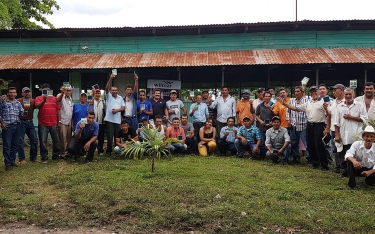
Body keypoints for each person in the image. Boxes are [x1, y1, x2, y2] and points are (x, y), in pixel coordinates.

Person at [280, 86, 330, 170]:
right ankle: (315, 163)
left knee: (319, 145)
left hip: (320, 125)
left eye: (315, 91)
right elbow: (296, 108)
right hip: (309, 125)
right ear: (310, 93)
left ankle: (324, 164)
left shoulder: (324, 101)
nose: (313, 93)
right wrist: (284, 104)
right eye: (312, 92)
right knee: (311, 145)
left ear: (318, 92)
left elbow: (329, 115)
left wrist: (327, 127)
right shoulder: (308, 102)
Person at [334, 87, 367, 176]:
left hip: (355, 135)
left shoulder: (360, 105)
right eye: (346, 94)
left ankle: (354, 171)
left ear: (353, 94)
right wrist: (336, 134)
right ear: (344, 95)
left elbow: (365, 119)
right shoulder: (340, 106)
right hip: (343, 134)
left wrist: (351, 117)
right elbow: (336, 122)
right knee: (342, 154)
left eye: (350, 94)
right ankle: (345, 171)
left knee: (355, 154)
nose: (348, 96)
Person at [35, 83, 61, 163]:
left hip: (53, 123)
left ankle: (56, 156)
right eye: (44, 90)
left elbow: (58, 110)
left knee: (56, 141)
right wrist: (44, 100)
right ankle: (44, 157)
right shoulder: (38, 98)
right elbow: (38, 106)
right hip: (43, 123)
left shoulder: (54, 99)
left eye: (48, 90)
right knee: (43, 141)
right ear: (42, 91)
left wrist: (59, 121)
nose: (46, 91)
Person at [0, 87, 24, 170]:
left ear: (16, 94)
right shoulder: (3, 101)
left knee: (15, 144)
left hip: (17, 125)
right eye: (10, 92)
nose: (12, 94)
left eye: (14, 92)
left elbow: (22, 113)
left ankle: (12, 160)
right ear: (7, 93)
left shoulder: (18, 103)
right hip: (7, 126)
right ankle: (7, 163)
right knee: (7, 145)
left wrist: (26, 109)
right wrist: (2, 123)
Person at [286, 86, 309, 164]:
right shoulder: (292, 101)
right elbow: (288, 111)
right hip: (294, 125)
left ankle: (310, 159)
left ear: (302, 92)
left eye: (298, 91)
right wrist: (288, 120)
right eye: (295, 91)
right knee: (294, 142)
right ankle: (296, 158)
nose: (296, 93)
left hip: (304, 125)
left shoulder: (307, 100)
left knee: (306, 143)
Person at [104, 74, 125, 155]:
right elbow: (106, 88)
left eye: (115, 90)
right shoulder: (109, 96)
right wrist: (110, 78)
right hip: (109, 120)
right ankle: (108, 151)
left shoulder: (120, 98)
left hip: (118, 120)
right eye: (113, 90)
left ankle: (117, 150)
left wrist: (117, 110)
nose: (114, 91)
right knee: (109, 136)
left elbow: (123, 108)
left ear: (118, 91)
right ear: (110, 91)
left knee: (117, 137)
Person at [17, 87, 39, 163]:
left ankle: (33, 157)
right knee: (20, 140)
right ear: (22, 93)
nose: (27, 93)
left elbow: (39, 106)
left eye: (28, 92)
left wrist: (45, 98)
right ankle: (21, 158)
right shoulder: (19, 101)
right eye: (25, 92)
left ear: (30, 93)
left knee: (34, 140)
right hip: (21, 122)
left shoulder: (33, 101)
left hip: (30, 122)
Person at [329, 84, 345, 173]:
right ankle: (337, 166)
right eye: (333, 90)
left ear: (341, 90)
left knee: (343, 148)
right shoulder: (333, 102)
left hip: (343, 129)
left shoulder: (346, 101)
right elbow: (330, 115)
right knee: (335, 149)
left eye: (335, 90)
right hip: (333, 129)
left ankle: (344, 166)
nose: (333, 92)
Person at [318, 83, 335, 165]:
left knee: (328, 143)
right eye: (320, 89)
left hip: (328, 124)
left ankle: (329, 160)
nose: (321, 91)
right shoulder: (315, 100)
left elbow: (331, 113)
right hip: (318, 124)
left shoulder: (331, 101)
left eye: (323, 89)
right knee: (319, 143)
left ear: (327, 91)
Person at [255, 91, 275, 157]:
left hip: (271, 127)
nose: (267, 97)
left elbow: (276, 115)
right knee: (262, 141)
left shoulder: (274, 105)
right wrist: (260, 121)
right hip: (262, 127)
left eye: (268, 96)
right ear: (263, 97)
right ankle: (262, 155)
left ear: (271, 97)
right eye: (266, 96)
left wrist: (272, 122)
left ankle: (271, 153)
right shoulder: (260, 106)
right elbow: (256, 115)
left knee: (270, 141)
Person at [56, 85, 73, 158]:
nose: (68, 92)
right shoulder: (61, 95)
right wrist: (62, 92)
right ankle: (62, 153)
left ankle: (68, 152)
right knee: (63, 138)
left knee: (69, 138)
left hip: (69, 122)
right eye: (67, 90)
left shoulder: (70, 99)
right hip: (62, 121)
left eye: (70, 90)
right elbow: (58, 100)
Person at [93, 89, 106, 156]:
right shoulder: (91, 101)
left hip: (101, 122)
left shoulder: (103, 102)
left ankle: (100, 149)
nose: (97, 95)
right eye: (96, 93)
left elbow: (105, 111)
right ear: (94, 94)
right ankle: (91, 148)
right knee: (92, 135)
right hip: (93, 122)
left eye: (99, 93)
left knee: (101, 136)